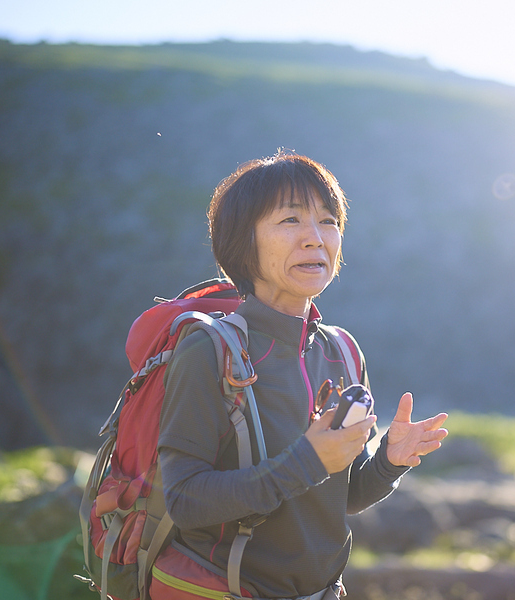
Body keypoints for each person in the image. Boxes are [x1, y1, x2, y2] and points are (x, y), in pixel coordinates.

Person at [154, 151, 449, 599]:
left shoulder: (342, 352)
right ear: (242, 242)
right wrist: (305, 462)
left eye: (328, 221)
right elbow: (185, 500)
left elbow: (340, 497)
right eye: (290, 220)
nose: (315, 238)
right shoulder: (209, 351)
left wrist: (389, 462)